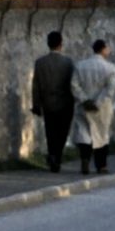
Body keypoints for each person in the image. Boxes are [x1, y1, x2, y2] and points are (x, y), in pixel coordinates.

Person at [71, 38, 115, 175]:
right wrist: (97, 102)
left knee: (84, 133)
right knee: (102, 135)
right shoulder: (110, 68)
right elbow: (109, 89)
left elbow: (74, 85)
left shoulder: (80, 66)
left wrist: (85, 99)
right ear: (103, 49)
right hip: (102, 108)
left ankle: (85, 159)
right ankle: (101, 165)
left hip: (83, 106)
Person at [31, 31, 75, 173]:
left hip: (47, 102)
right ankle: (57, 156)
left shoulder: (40, 63)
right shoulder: (68, 62)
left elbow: (36, 85)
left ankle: (52, 155)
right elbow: (73, 84)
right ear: (61, 44)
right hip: (65, 103)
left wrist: (36, 104)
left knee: (50, 131)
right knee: (62, 132)